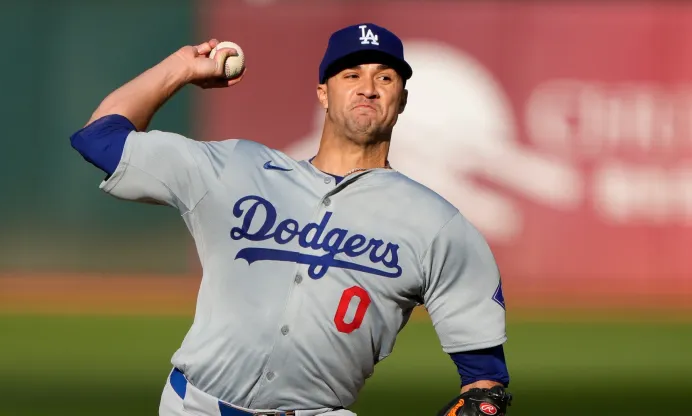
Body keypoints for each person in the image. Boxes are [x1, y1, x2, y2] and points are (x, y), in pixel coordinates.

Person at [70, 22, 512, 416]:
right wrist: (180, 68)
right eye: (350, 74)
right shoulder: (236, 168)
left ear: (402, 99)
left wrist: (484, 401)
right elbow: (100, 139)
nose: (368, 87)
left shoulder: (439, 225)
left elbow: (485, 384)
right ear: (323, 92)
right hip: (195, 406)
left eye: (385, 76)